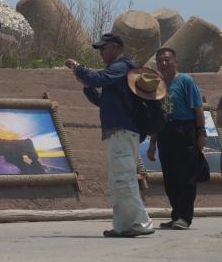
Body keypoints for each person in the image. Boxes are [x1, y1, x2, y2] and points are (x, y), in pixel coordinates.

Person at [65, 33, 155, 237]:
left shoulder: (122, 67)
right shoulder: (116, 72)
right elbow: (102, 101)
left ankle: (141, 224)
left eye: (103, 49)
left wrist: (77, 67)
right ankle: (123, 226)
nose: (101, 54)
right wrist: (88, 87)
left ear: (115, 47)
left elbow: (99, 78)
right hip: (118, 133)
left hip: (123, 132)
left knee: (124, 179)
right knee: (118, 182)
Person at [147, 47, 206, 230]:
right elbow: (157, 116)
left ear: (175, 61)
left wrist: (201, 134)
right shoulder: (158, 85)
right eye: (160, 61)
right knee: (170, 177)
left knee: (186, 176)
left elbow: (198, 109)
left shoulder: (185, 81)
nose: (163, 64)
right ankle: (176, 215)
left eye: (167, 60)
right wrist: (152, 144)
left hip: (184, 130)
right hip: (165, 131)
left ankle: (185, 217)